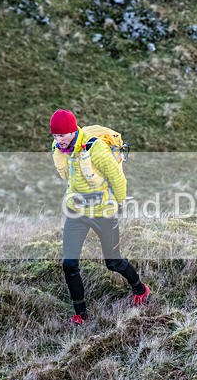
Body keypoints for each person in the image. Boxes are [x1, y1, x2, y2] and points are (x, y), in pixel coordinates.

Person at [50, 109, 150, 325]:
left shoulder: (96, 148)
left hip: (103, 211)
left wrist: (119, 205)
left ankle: (140, 289)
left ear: (72, 131)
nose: (58, 141)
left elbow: (118, 179)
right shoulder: (58, 148)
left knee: (113, 262)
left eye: (62, 136)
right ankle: (80, 314)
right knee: (69, 264)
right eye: (55, 136)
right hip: (76, 211)